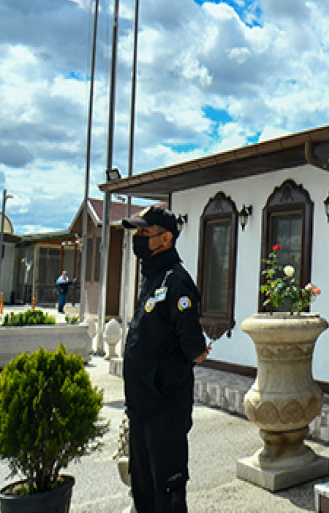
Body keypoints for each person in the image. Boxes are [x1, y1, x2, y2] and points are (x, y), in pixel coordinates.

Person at [121, 204, 209, 513]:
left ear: (165, 238)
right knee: (143, 488)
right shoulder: (152, 277)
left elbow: (192, 341)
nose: (139, 237)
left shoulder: (176, 280)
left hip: (164, 407)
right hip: (142, 405)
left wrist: (197, 350)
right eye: (138, 231)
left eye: (145, 232)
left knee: (167, 490)